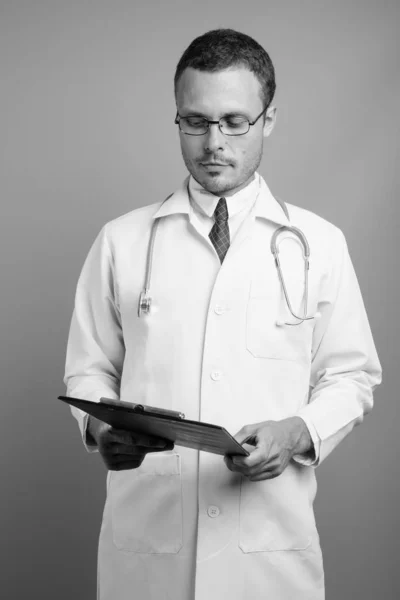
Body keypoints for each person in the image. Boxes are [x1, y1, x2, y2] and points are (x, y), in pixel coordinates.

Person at [63, 28, 382, 600]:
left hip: (268, 556)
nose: (215, 142)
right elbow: (88, 371)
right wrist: (102, 427)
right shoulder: (122, 241)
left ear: (269, 120)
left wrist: (298, 432)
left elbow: (352, 375)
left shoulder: (319, 243)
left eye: (235, 121)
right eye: (196, 121)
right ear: (178, 119)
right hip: (149, 554)